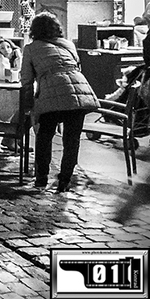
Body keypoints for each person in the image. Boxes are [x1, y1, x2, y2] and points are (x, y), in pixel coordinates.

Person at [21, 12, 99, 193]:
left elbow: (26, 80)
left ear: (34, 30)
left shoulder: (31, 48)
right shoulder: (68, 44)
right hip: (79, 93)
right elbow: (77, 66)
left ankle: (41, 178)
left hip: (51, 93)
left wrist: (28, 105)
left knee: (44, 136)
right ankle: (65, 180)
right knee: (72, 140)